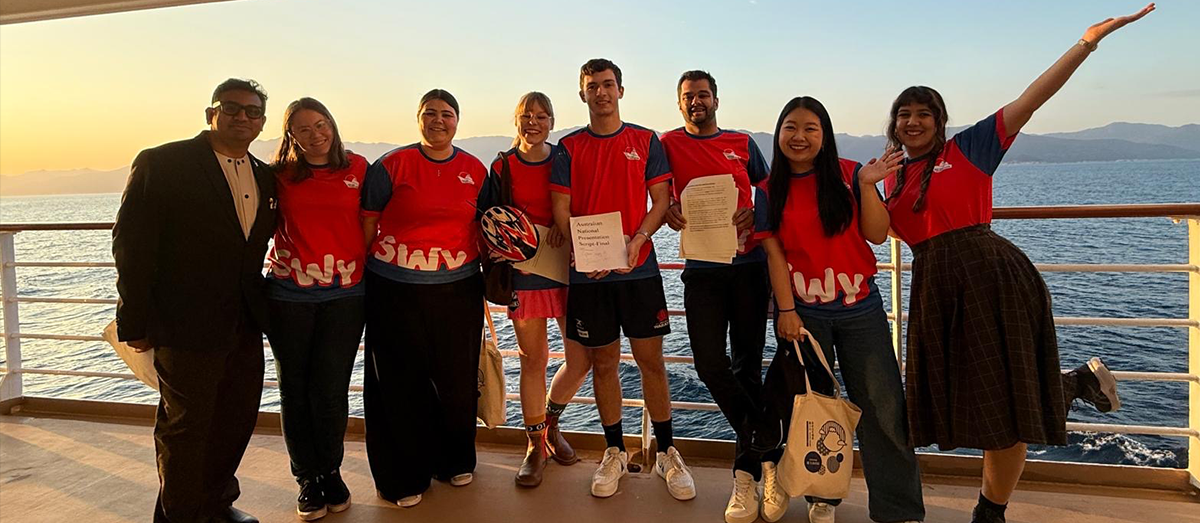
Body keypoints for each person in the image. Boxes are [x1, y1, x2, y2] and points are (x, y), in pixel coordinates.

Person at [870, 5, 1154, 522]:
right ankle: (1073, 384)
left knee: (1002, 410)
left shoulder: (973, 147)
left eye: (923, 113)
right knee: (975, 401)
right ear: (894, 123)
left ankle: (990, 511)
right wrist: (862, 186)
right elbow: (873, 229)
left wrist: (1087, 42)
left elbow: (1033, 98)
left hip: (993, 278)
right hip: (937, 288)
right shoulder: (891, 178)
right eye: (904, 114)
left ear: (938, 121)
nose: (912, 122)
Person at [113, 78, 276, 523]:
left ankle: (216, 503)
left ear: (262, 122)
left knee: (236, 418)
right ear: (211, 113)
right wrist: (135, 321)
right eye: (232, 108)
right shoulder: (163, 163)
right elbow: (132, 245)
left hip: (244, 321)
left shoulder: (265, 174)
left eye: (253, 111)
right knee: (185, 427)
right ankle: (181, 516)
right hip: (184, 322)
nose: (243, 117)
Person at [757, 96, 924, 523]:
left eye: (811, 128)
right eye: (791, 127)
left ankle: (897, 511)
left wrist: (868, 186)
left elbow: (875, 233)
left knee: (883, 407)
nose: (800, 136)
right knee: (814, 410)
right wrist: (786, 311)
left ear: (824, 134)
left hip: (859, 310)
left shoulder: (851, 174)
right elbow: (775, 256)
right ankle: (822, 497)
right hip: (805, 316)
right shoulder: (768, 190)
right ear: (779, 134)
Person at [550, 58, 695, 500]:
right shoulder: (568, 146)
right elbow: (561, 207)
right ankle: (613, 451)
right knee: (605, 365)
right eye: (592, 86)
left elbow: (660, 200)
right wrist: (579, 249)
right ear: (582, 94)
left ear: (621, 90)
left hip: (639, 268)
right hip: (589, 272)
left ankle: (667, 451)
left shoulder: (645, 140)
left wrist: (639, 239)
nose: (601, 92)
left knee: (652, 363)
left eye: (608, 85)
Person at [360, 89, 488, 509]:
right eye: (430, 113)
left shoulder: (475, 169)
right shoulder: (392, 165)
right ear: (417, 118)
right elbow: (366, 225)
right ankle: (401, 477)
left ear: (458, 121)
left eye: (447, 114)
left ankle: (453, 460)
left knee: (457, 381)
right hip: (394, 290)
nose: (438, 120)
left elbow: (491, 229)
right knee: (398, 384)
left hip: (458, 288)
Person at [659, 70, 773, 523]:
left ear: (717, 99)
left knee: (748, 363)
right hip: (702, 270)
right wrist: (665, 206)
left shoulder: (743, 143)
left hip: (748, 267)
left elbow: (769, 189)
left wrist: (755, 210)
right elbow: (654, 189)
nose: (696, 102)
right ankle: (765, 438)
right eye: (688, 97)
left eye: (703, 95)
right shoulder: (665, 144)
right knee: (708, 362)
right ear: (679, 102)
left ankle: (747, 474)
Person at [480, 92, 590, 487]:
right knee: (533, 360)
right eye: (527, 115)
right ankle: (534, 445)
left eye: (542, 116)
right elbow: (487, 219)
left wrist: (569, 226)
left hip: (567, 268)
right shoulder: (502, 164)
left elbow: (585, 201)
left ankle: (551, 420)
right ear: (516, 120)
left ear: (552, 121)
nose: (534, 122)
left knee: (581, 359)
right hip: (524, 274)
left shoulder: (564, 157)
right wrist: (504, 246)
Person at [265, 97, 367, 520]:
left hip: (345, 295)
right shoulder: (278, 176)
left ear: (333, 125)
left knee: (330, 389)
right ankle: (307, 478)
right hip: (289, 294)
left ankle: (331, 471)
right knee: (295, 389)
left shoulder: (359, 169)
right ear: (291, 136)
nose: (316, 134)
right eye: (304, 129)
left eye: (321, 124)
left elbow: (378, 222)